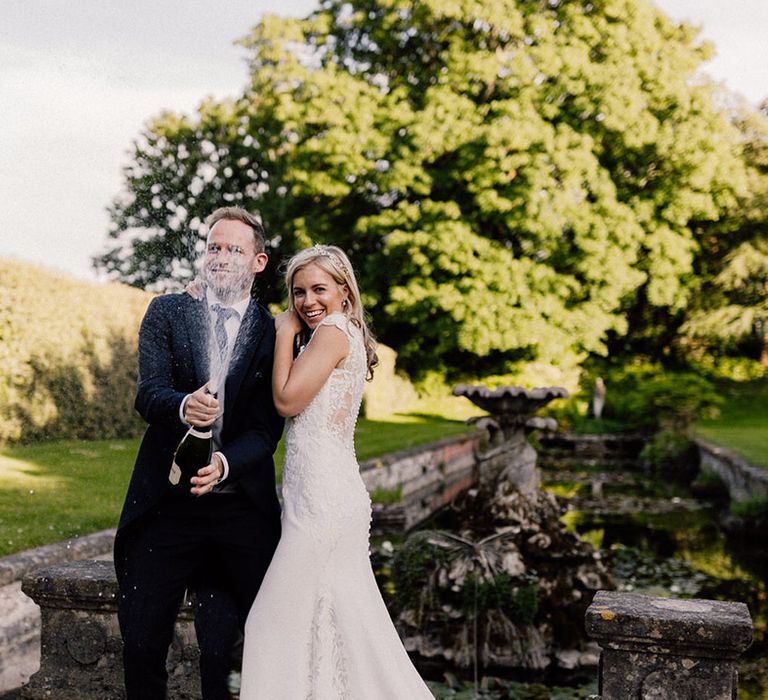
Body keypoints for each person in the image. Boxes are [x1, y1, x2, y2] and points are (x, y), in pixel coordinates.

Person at [238, 245, 434, 699]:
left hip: (323, 505)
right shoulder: (340, 331)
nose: (307, 301)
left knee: (269, 622)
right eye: (298, 291)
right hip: (323, 496)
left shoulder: (330, 331)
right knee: (340, 624)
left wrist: (282, 330)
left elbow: (287, 400)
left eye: (319, 289)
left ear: (344, 291)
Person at [114, 207, 284, 700]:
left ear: (258, 261)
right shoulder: (167, 311)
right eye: (214, 246)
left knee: (222, 655)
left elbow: (265, 430)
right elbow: (149, 394)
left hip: (239, 514)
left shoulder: (275, 332)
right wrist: (184, 406)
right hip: (168, 507)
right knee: (142, 642)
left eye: (235, 249)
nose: (222, 256)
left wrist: (225, 464)